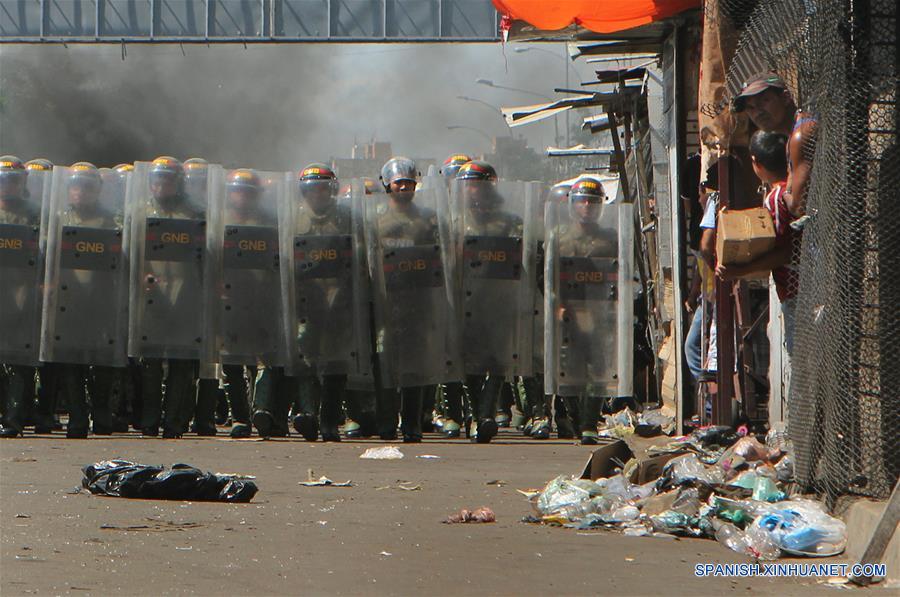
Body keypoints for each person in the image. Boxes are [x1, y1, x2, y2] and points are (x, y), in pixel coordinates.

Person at [42, 163, 123, 437]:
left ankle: (101, 415)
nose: (81, 192)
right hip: (68, 299)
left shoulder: (113, 221)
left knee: (102, 360)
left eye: (87, 187)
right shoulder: (57, 219)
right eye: (76, 187)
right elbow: (45, 257)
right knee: (70, 361)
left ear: (97, 190)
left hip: (102, 298)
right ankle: (77, 417)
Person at [288, 163, 356, 442]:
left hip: (339, 295)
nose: (318, 193)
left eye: (323, 188)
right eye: (312, 188)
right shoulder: (292, 219)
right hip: (305, 296)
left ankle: (329, 421)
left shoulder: (346, 218)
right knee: (305, 356)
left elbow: (359, 255)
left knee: (336, 361)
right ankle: (308, 414)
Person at [716, 131, 799, 353]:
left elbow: (786, 251)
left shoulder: (776, 197)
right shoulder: (793, 188)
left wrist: (741, 269)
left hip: (797, 290)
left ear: (756, 162)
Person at [732, 72, 817, 217]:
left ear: (785, 98)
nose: (757, 113)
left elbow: (798, 206)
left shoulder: (801, 134)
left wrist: (780, 193)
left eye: (764, 101)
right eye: (751, 108)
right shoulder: (793, 134)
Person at [0, 156, 43, 438]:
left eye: (13, 181)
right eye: (3, 181)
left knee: (17, 360)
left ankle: (13, 420)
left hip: (21, 291)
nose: (7, 187)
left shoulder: (34, 214)